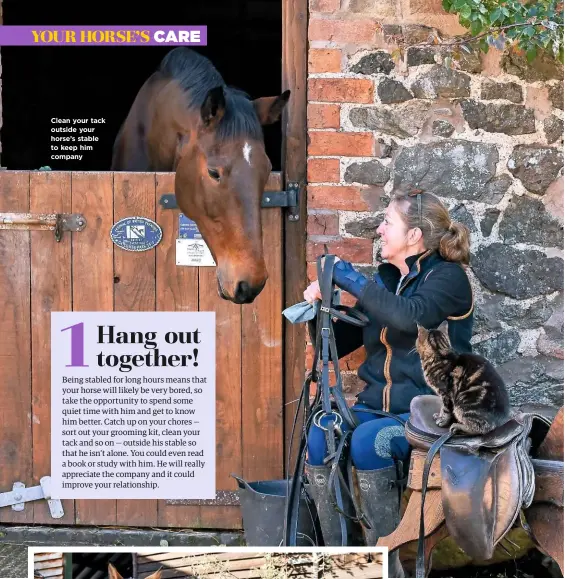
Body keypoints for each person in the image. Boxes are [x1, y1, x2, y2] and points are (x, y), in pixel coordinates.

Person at [302, 190, 474, 567]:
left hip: (431, 414)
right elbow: (344, 341)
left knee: (369, 442)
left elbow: (411, 317)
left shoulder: (448, 278)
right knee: (319, 434)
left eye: (387, 223)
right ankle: (341, 559)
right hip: (375, 407)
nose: (379, 230)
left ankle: (389, 565)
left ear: (414, 235)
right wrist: (321, 308)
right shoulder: (386, 281)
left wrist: (352, 281)